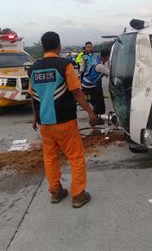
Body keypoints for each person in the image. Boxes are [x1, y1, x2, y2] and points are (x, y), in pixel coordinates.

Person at [28, 31, 97, 208]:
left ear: (42, 46)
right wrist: (90, 112)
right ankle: (78, 195)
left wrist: (35, 116)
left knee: (50, 157)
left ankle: (56, 191)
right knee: (75, 157)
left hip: (45, 123)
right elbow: (76, 92)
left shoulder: (33, 69)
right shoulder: (64, 66)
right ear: (58, 46)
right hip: (64, 120)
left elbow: (33, 96)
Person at [82, 48, 110, 120]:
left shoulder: (97, 61)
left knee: (98, 99)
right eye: (108, 58)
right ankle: (94, 118)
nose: (108, 59)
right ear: (106, 57)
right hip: (89, 84)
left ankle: (99, 115)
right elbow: (109, 73)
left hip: (87, 82)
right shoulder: (100, 65)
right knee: (98, 101)